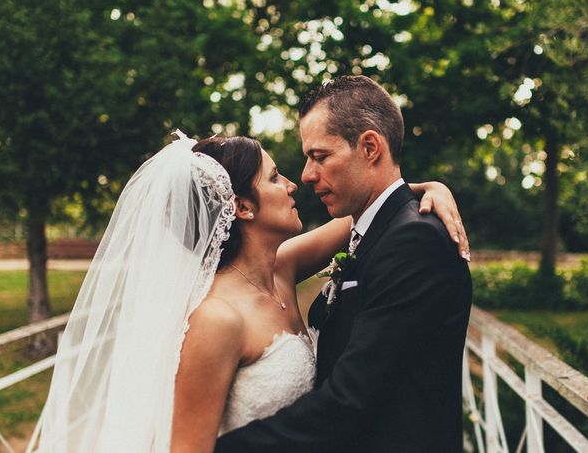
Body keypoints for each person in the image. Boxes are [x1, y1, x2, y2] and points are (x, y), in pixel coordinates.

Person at [30, 128, 466, 452]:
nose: (294, 184)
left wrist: (429, 189)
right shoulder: (218, 318)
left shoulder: (282, 268)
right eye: (275, 178)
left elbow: (367, 212)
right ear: (242, 206)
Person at [215, 75, 473, 452]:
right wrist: (424, 187)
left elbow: (350, 401)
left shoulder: (413, 241)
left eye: (319, 156)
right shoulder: (371, 230)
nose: (304, 176)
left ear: (370, 147)